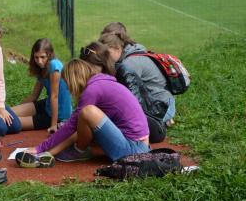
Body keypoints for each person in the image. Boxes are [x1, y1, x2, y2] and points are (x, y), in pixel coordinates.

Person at [17, 54, 150, 167]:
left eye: (67, 83)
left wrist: (39, 147)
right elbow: (77, 127)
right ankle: (46, 155)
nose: (68, 88)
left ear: (73, 80)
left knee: (87, 112)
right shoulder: (100, 83)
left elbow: (71, 126)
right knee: (81, 120)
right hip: (138, 146)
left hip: (133, 151)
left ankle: (79, 151)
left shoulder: (92, 90)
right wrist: (46, 151)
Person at [99, 22, 175, 143]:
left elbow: (126, 96)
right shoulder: (129, 54)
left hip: (161, 107)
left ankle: (161, 122)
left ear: (117, 45)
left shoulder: (130, 63)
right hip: (160, 102)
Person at [12, 38, 72, 133]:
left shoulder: (54, 65)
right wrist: (18, 109)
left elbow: (54, 96)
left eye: (42, 57)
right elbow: (34, 96)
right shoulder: (41, 68)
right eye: (36, 57)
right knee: (8, 114)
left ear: (49, 55)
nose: (39, 61)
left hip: (58, 114)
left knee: (11, 122)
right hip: (47, 104)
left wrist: (53, 125)